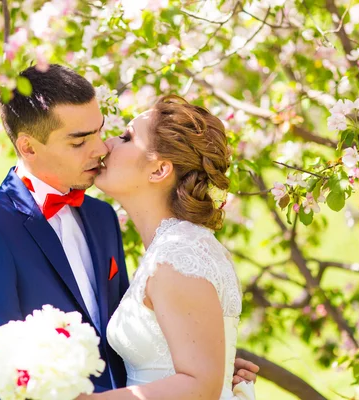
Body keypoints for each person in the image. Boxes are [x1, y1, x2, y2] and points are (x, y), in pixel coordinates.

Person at [0, 65, 258, 399]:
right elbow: (0, 376)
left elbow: (128, 341)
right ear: (29, 147)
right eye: (80, 140)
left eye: (100, 131)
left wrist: (205, 362)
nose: (101, 148)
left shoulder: (101, 217)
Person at [78, 95, 255, 399]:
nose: (107, 143)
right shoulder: (175, 248)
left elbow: (200, 386)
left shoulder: (177, 257)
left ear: (159, 170)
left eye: (126, 137)